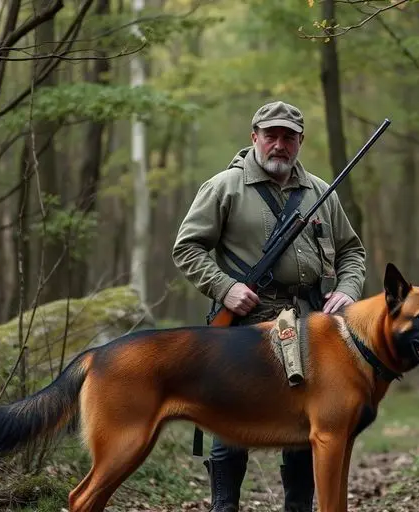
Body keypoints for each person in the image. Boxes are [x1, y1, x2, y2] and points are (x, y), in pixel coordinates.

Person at [171, 100, 368, 512]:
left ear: (300, 142)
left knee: (303, 425)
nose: (279, 145)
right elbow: (187, 247)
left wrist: (348, 290)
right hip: (245, 324)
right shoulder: (224, 187)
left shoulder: (320, 191)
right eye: (271, 135)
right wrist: (225, 288)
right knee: (231, 423)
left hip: (311, 324)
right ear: (254, 137)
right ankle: (223, 508)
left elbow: (353, 251)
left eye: (288, 137)